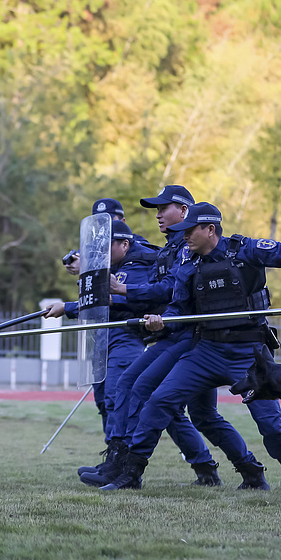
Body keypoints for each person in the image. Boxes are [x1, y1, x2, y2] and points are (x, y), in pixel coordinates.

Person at [103, 202, 281, 490]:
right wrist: (162, 321)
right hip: (206, 351)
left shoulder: (245, 250)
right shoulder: (187, 263)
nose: (184, 237)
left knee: (271, 425)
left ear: (210, 229)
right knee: (159, 401)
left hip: (249, 355)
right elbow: (178, 308)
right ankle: (131, 474)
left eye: (190, 230)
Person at [89, 185, 235, 488]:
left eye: (162, 209)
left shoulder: (186, 250)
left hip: (198, 341)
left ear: (183, 211)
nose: (157, 215)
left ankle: (127, 467)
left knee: (181, 408)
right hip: (171, 336)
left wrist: (124, 291)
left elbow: (167, 291)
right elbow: (166, 295)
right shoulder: (169, 250)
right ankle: (124, 463)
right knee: (170, 405)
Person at [45, 220, 161, 481]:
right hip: (107, 337)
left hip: (127, 337)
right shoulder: (114, 264)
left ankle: (125, 468)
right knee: (111, 401)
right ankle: (114, 463)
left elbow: (123, 299)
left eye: (106, 246)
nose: (100, 253)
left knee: (125, 400)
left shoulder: (138, 262)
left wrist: (68, 307)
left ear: (124, 243)